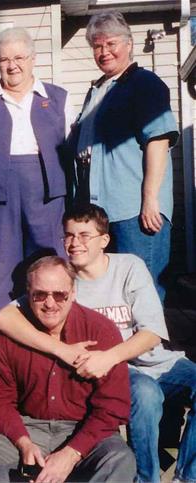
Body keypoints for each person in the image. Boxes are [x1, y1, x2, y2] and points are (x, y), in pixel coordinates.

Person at [0, 204, 195, 483]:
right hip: (116, 374)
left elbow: (152, 333)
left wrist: (109, 356)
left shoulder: (128, 267)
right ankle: (145, 478)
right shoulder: (62, 280)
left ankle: (187, 477)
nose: (74, 242)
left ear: (104, 240)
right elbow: (3, 318)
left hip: (152, 361)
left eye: (84, 235)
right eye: (69, 235)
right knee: (145, 394)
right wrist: (62, 350)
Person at [0, 256, 135, 482]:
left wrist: (71, 454)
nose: (50, 304)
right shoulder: (10, 335)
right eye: (40, 295)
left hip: (84, 428)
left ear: (73, 293)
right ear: (28, 294)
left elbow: (112, 406)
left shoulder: (100, 330)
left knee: (120, 459)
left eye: (59, 295)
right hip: (29, 426)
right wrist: (23, 442)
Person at [0, 27, 75, 311]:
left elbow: (72, 157)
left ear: (33, 59)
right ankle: (10, 330)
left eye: (19, 58)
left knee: (50, 265)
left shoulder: (59, 99)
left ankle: (53, 324)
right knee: (5, 271)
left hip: (49, 198)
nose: (12, 65)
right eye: (4, 59)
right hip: (0, 202)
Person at [72, 11, 178, 301]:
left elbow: (158, 140)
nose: (104, 51)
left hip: (133, 210)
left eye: (111, 43)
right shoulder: (98, 90)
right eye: (97, 46)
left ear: (129, 44)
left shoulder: (144, 84)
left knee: (141, 290)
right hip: (101, 211)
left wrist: (150, 199)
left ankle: (148, 335)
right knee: (111, 293)